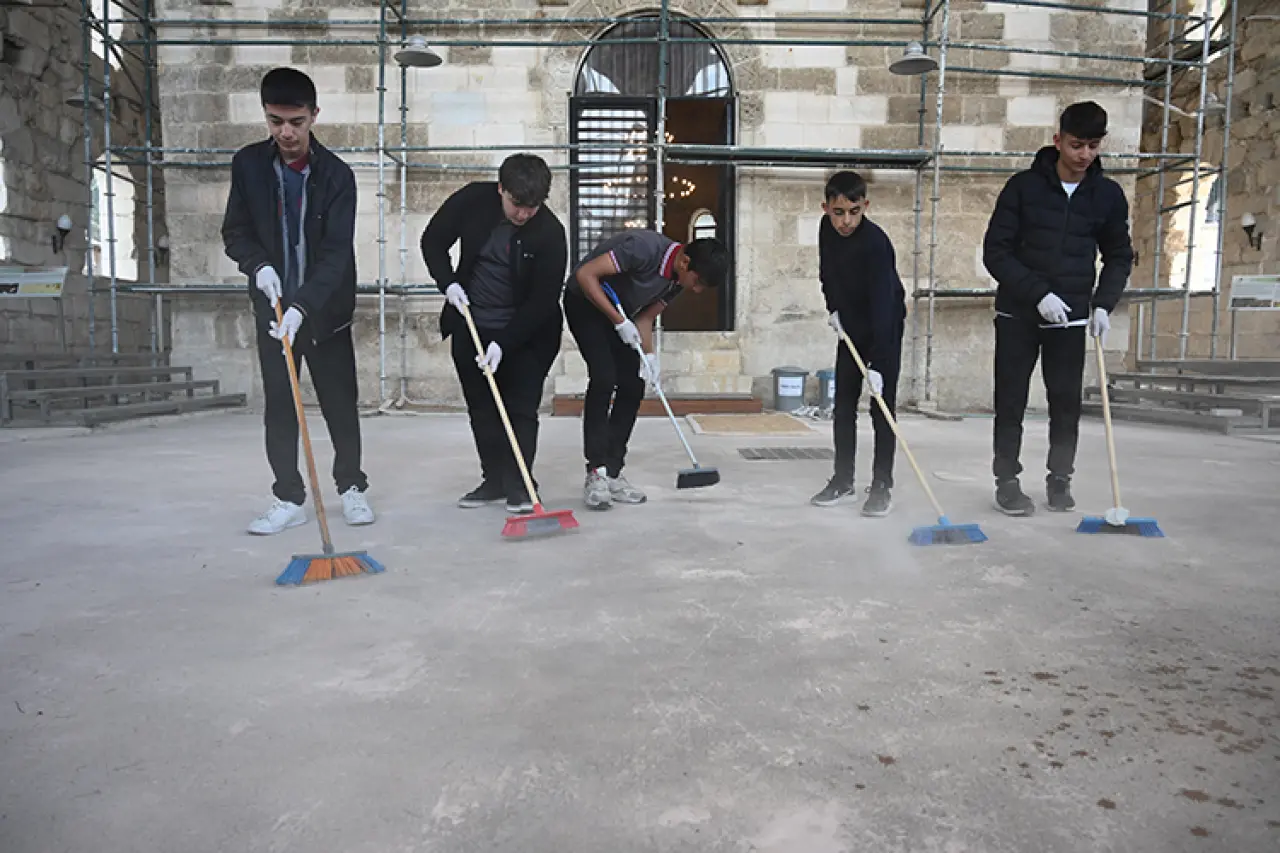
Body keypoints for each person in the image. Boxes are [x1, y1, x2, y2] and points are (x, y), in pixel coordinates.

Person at [222, 67, 374, 535]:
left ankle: (351, 487)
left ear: (314, 116)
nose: (286, 133)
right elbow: (235, 232)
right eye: (275, 121)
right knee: (281, 407)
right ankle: (287, 496)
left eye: (296, 122)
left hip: (323, 311)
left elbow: (334, 255)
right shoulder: (247, 165)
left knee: (339, 404)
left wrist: (302, 306)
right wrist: (258, 266)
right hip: (272, 309)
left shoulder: (338, 176)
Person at [983, 100, 1134, 515]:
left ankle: (1060, 479)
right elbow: (995, 252)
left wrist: (1103, 304)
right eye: (1076, 145)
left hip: (1072, 316)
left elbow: (1119, 255)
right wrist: (1037, 294)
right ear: (1057, 141)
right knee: (1010, 400)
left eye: (1092, 145)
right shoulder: (1023, 188)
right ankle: (1008, 482)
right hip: (1018, 314)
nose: (1084, 155)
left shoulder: (1106, 196)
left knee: (1065, 401)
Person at [421, 154, 568, 515]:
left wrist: (504, 343)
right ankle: (494, 480)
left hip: (530, 332)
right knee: (483, 408)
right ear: (501, 188)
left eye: (532, 207)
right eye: (517, 204)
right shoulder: (473, 200)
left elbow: (542, 300)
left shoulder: (550, 232)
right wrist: (448, 284)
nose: (523, 215)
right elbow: (433, 241)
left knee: (520, 407)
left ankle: (521, 483)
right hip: (472, 323)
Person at [564, 231, 729, 509]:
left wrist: (650, 357)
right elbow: (585, 275)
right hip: (585, 302)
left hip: (621, 312)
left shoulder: (676, 281)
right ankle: (596, 472)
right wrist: (618, 322)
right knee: (604, 378)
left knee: (632, 385)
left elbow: (645, 317)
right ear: (685, 262)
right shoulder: (643, 250)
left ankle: (613, 472)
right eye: (698, 282)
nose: (696, 289)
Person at [809, 171, 907, 516]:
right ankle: (843, 480)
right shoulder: (826, 230)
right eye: (838, 213)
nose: (846, 221)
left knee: (882, 408)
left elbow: (884, 304)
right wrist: (832, 307)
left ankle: (882, 485)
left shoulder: (876, 243)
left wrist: (879, 363)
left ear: (865, 205)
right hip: (849, 325)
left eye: (854, 211)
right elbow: (828, 274)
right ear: (826, 208)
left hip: (885, 325)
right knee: (844, 405)